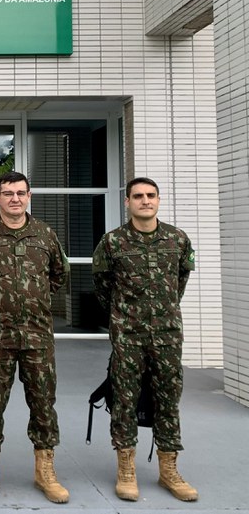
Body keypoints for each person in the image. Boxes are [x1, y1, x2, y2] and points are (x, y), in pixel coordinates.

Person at [0, 171, 70, 504]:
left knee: (43, 404)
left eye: (20, 193)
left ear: (29, 196)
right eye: (8, 193)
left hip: (38, 337)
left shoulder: (45, 234)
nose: (15, 199)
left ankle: (45, 469)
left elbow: (59, 274)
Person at [92, 177, 198, 502]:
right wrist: (126, 315)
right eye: (138, 196)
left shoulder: (177, 240)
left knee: (168, 398)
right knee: (124, 400)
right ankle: (126, 469)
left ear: (159, 200)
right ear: (127, 202)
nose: (145, 201)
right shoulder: (112, 243)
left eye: (150, 195)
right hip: (128, 335)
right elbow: (103, 286)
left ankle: (169, 470)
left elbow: (180, 280)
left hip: (167, 335)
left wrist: (161, 311)